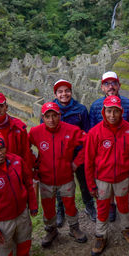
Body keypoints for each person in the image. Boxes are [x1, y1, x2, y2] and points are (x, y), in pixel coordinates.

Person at [84, 96, 129, 256]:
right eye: (109, 111)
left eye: (116, 111)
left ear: (121, 112)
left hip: (122, 178)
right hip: (102, 179)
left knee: (123, 206)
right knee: (102, 208)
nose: (112, 115)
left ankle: (127, 229)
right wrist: (91, 185)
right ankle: (100, 236)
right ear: (103, 112)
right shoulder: (95, 133)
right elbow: (88, 161)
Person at [30, 102, 87, 248]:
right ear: (42, 117)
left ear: (59, 116)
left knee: (70, 204)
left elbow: (88, 143)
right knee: (48, 206)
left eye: (54, 115)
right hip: (46, 179)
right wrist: (35, 164)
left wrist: (76, 163)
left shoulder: (72, 130)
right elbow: (25, 148)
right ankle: (51, 230)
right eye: (47, 116)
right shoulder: (35, 132)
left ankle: (74, 228)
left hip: (66, 177)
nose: (51, 119)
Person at [50, 79, 96, 224]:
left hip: (78, 152)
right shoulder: (50, 110)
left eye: (67, 91)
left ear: (71, 92)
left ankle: (89, 206)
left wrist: (80, 158)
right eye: (60, 92)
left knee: (84, 181)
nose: (64, 94)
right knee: (60, 185)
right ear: (56, 94)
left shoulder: (81, 109)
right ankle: (61, 210)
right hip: (60, 155)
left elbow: (87, 134)